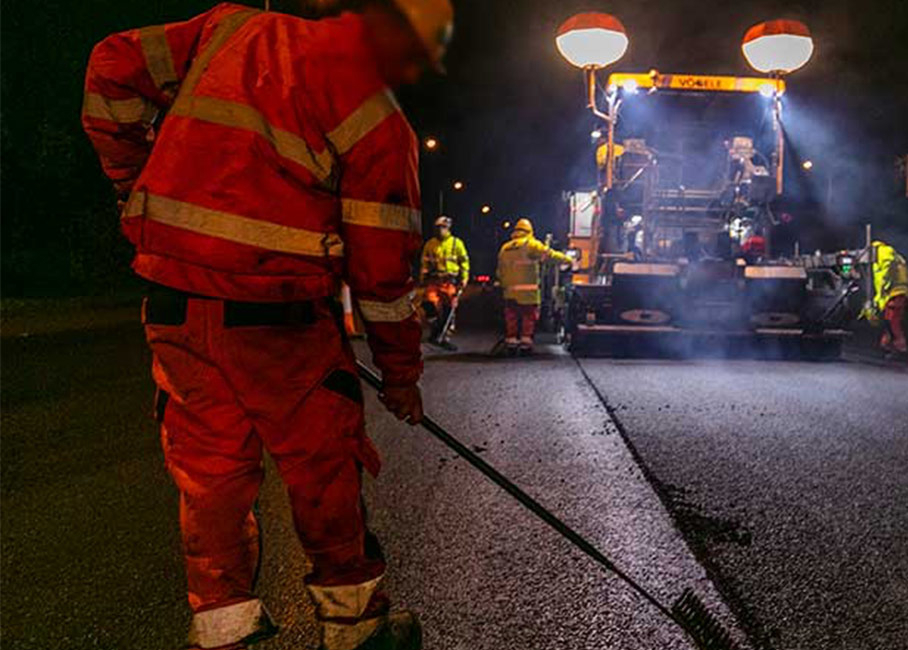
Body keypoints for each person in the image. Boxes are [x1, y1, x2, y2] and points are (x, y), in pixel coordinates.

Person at [82, 0, 452, 648]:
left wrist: (132, 181)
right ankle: (357, 630)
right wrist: (400, 376)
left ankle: (222, 626)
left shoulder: (227, 29)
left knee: (210, 475)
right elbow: (382, 275)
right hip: (281, 323)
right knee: (323, 473)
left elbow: (111, 67)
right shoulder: (374, 117)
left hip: (177, 303)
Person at [496, 218, 573, 355]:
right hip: (528, 293)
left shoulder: (505, 247)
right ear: (529, 231)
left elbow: (499, 271)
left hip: (509, 292)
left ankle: (511, 344)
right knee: (528, 317)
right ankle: (525, 344)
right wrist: (568, 259)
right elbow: (549, 255)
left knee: (511, 317)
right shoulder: (530, 244)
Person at [419, 216, 468, 349]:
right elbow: (425, 262)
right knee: (428, 303)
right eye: (438, 227)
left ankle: (444, 336)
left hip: (449, 281)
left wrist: (464, 278)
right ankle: (436, 328)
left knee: (449, 309)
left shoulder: (456, 243)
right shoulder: (430, 244)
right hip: (434, 280)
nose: (440, 230)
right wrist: (423, 277)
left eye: (443, 227)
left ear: (448, 228)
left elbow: (464, 262)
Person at [866, 240, 908, 360]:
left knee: (893, 321)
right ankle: (886, 346)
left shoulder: (882, 251)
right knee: (889, 320)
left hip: (895, 291)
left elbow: (887, 268)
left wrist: (884, 286)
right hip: (897, 292)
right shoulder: (892, 254)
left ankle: (901, 349)